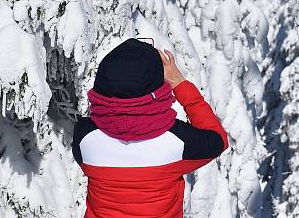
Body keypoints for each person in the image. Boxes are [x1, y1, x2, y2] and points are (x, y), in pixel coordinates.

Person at [72, 38, 228, 217]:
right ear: (157, 89)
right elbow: (218, 139)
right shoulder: (178, 141)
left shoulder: (85, 137)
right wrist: (179, 84)